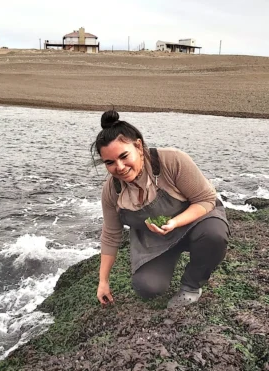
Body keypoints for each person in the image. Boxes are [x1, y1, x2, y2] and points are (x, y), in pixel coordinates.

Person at [91, 110, 230, 308]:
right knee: (147, 287)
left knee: (214, 236)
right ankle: (166, 264)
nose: (119, 167)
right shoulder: (112, 190)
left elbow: (206, 199)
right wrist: (103, 282)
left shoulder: (172, 160)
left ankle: (191, 285)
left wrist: (174, 222)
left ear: (138, 146)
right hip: (156, 240)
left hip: (196, 223)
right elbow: (111, 234)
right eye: (110, 162)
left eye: (124, 156)